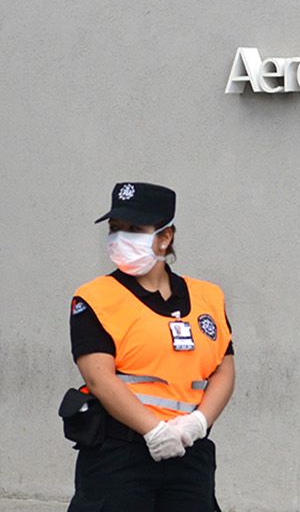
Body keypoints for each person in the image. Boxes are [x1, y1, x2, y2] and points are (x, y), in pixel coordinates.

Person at [66, 182, 235, 511]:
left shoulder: (208, 297)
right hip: (119, 454)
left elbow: (224, 370)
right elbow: (99, 377)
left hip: (189, 454)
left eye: (134, 229)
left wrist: (197, 423)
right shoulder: (94, 298)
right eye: (115, 228)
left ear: (165, 237)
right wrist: (155, 431)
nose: (120, 238)